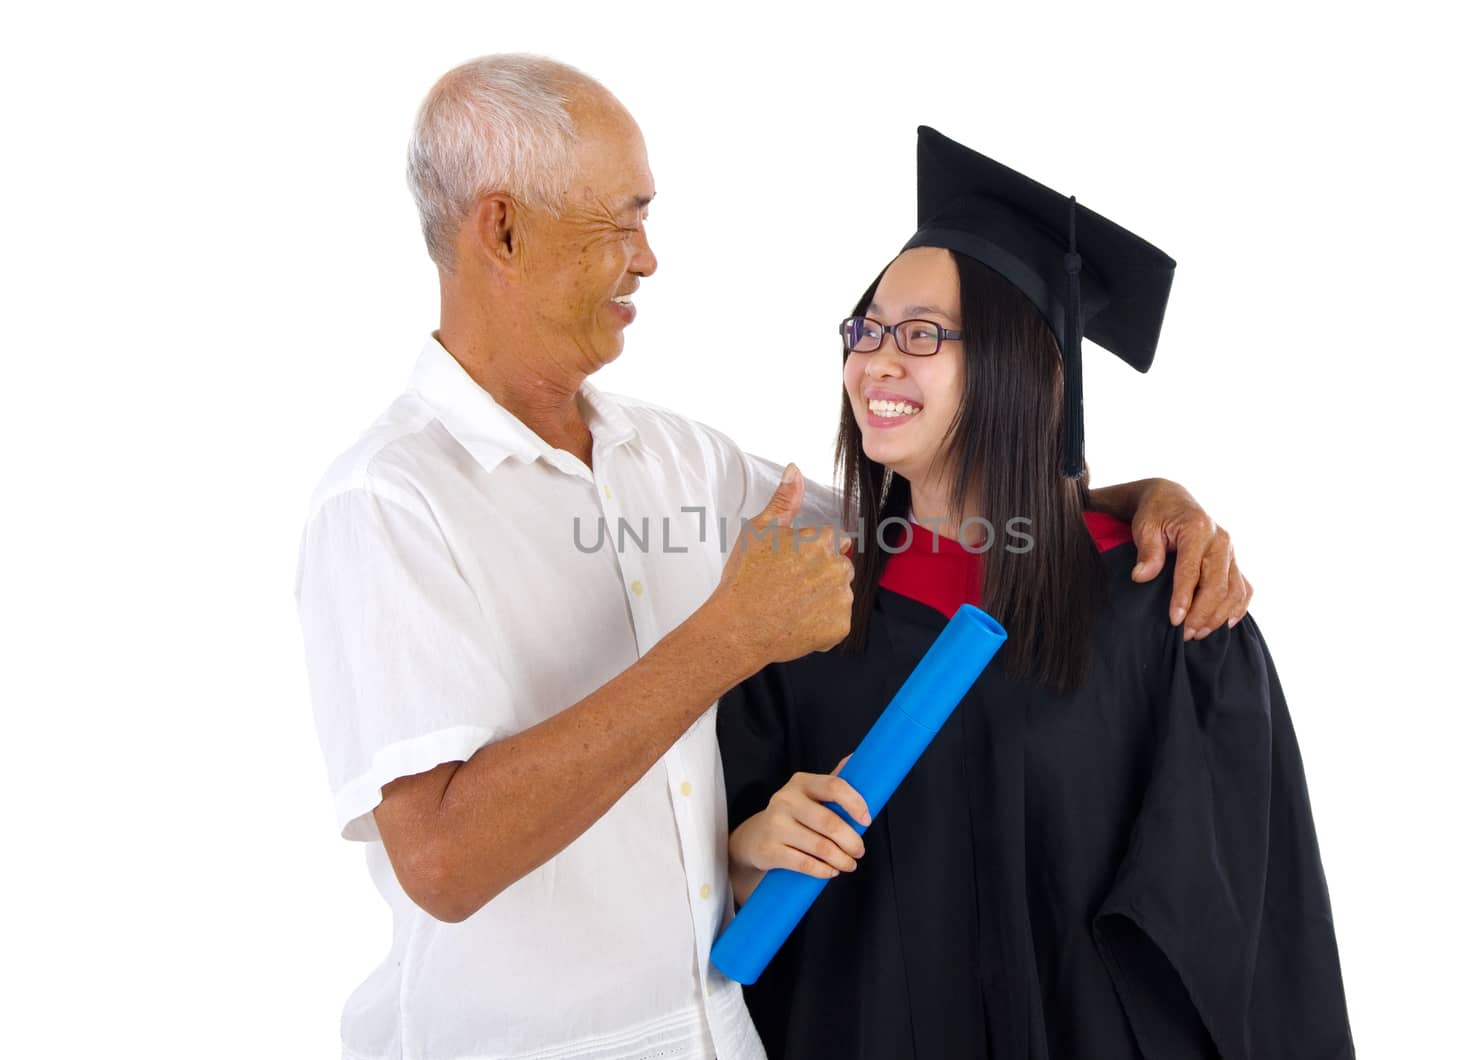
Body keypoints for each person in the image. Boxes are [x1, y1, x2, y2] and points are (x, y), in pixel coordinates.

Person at [296, 56, 1253, 1060]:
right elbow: (443, 861)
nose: (648, 257)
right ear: (503, 228)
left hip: (721, 1031)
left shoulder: (674, 460)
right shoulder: (390, 502)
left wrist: (1136, 501)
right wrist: (725, 640)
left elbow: (940, 508)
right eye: (621, 219)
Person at [718, 127, 1352, 1058]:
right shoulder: (809, 613)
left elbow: (1251, 937)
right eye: (868, 328)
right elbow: (707, 887)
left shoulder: (1165, 610)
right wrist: (748, 849)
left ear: (1028, 364)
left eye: (922, 334)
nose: (878, 361)